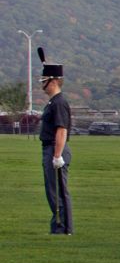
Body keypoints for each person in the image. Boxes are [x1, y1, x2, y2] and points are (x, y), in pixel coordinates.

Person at [39, 53, 74, 235]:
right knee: (53, 192)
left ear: (52, 82)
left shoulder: (59, 103)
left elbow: (61, 130)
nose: (41, 84)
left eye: (43, 80)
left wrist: (57, 155)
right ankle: (58, 226)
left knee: (58, 192)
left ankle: (62, 228)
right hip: (51, 149)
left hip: (55, 148)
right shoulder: (54, 102)